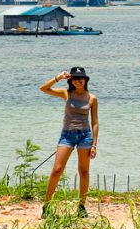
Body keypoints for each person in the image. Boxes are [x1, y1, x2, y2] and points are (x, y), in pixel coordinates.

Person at [39, 66, 98, 217]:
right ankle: (47, 205)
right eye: (76, 79)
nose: (79, 81)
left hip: (85, 136)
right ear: (71, 80)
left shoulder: (92, 98)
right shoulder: (66, 93)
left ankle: (82, 207)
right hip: (67, 135)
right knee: (57, 170)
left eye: (82, 78)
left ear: (86, 80)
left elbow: (95, 122)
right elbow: (43, 88)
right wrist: (58, 77)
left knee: (84, 171)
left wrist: (94, 145)